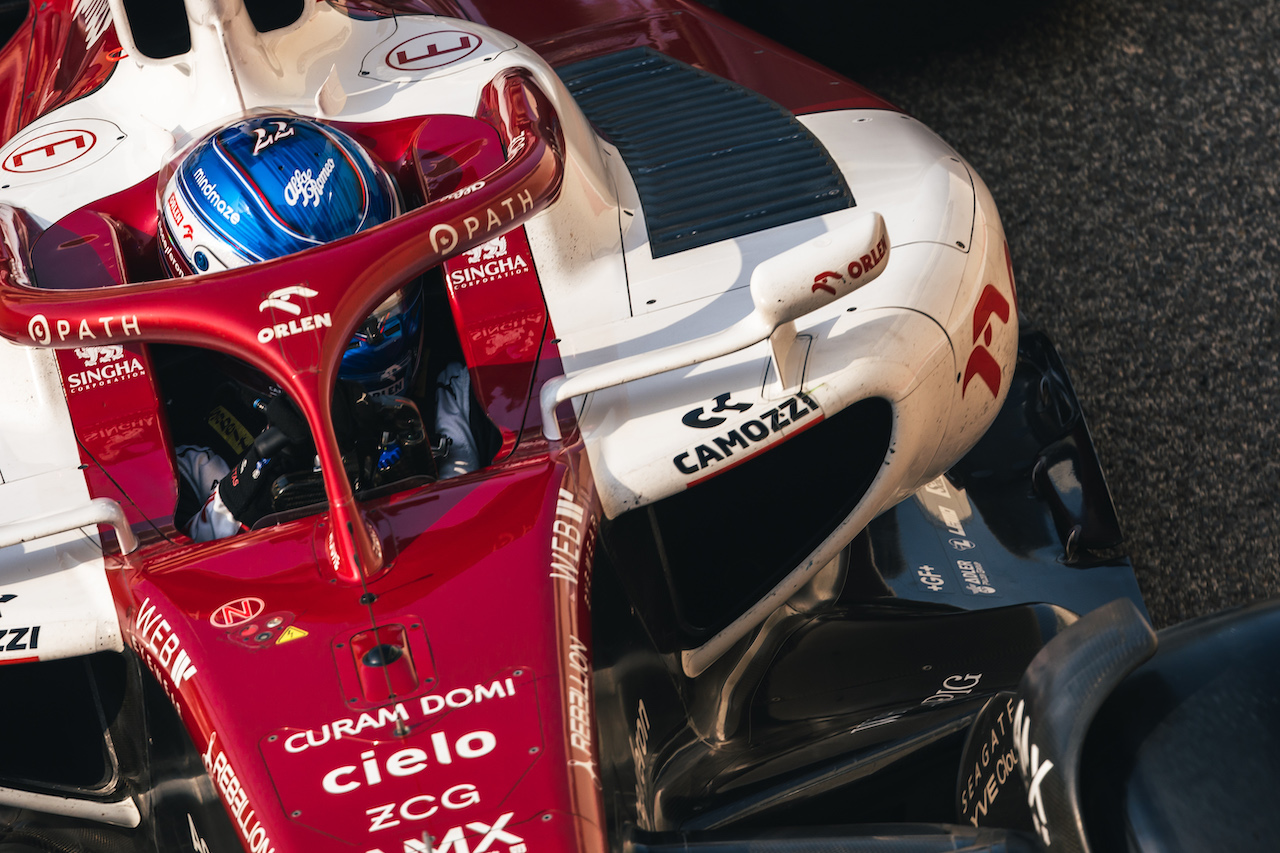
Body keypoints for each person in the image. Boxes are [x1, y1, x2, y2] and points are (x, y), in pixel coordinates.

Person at [157, 113, 479, 541]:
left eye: (379, 285)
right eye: (323, 300)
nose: (376, 330)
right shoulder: (191, 445)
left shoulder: (460, 377)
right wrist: (249, 485)